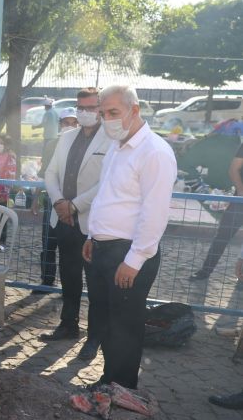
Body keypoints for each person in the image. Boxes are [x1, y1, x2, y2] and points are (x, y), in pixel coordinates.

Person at [82, 84, 177, 389]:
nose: (106, 118)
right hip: (102, 248)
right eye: (103, 113)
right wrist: (91, 235)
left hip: (129, 254)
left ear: (134, 110)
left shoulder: (155, 152)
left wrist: (134, 260)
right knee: (108, 322)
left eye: (113, 112)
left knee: (124, 326)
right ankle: (110, 381)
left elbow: (155, 213)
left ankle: (122, 388)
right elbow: (108, 196)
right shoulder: (117, 146)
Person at [40, 88, 111, 363]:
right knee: (68, 276)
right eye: (81, 107)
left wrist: (74, 205)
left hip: (91, 223)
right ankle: (68, 325)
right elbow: (50, 172)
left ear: (101, 109)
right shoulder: (66, 137)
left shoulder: (110, 140)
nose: (85, 112)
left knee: (95, 284)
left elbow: (105, 182)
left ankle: (94, 339)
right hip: (64, 219)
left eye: (91, 107)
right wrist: (59, 202)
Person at [31, 107, 79, 295]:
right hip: (51, 200)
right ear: (60, 124)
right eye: (66, 123)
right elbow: (43, 173)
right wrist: (35, 199)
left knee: (72, 247)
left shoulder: (82, 144)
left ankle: (70, 287)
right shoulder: (51, 145)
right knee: (48, 242)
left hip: (74, 202)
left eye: (73, 123)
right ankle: (47, 281)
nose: (69, 126)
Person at [192, 144, 243, 280]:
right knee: (222, 236)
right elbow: (233, 169)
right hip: (240, 201)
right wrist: (241, 190)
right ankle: (205, 271)